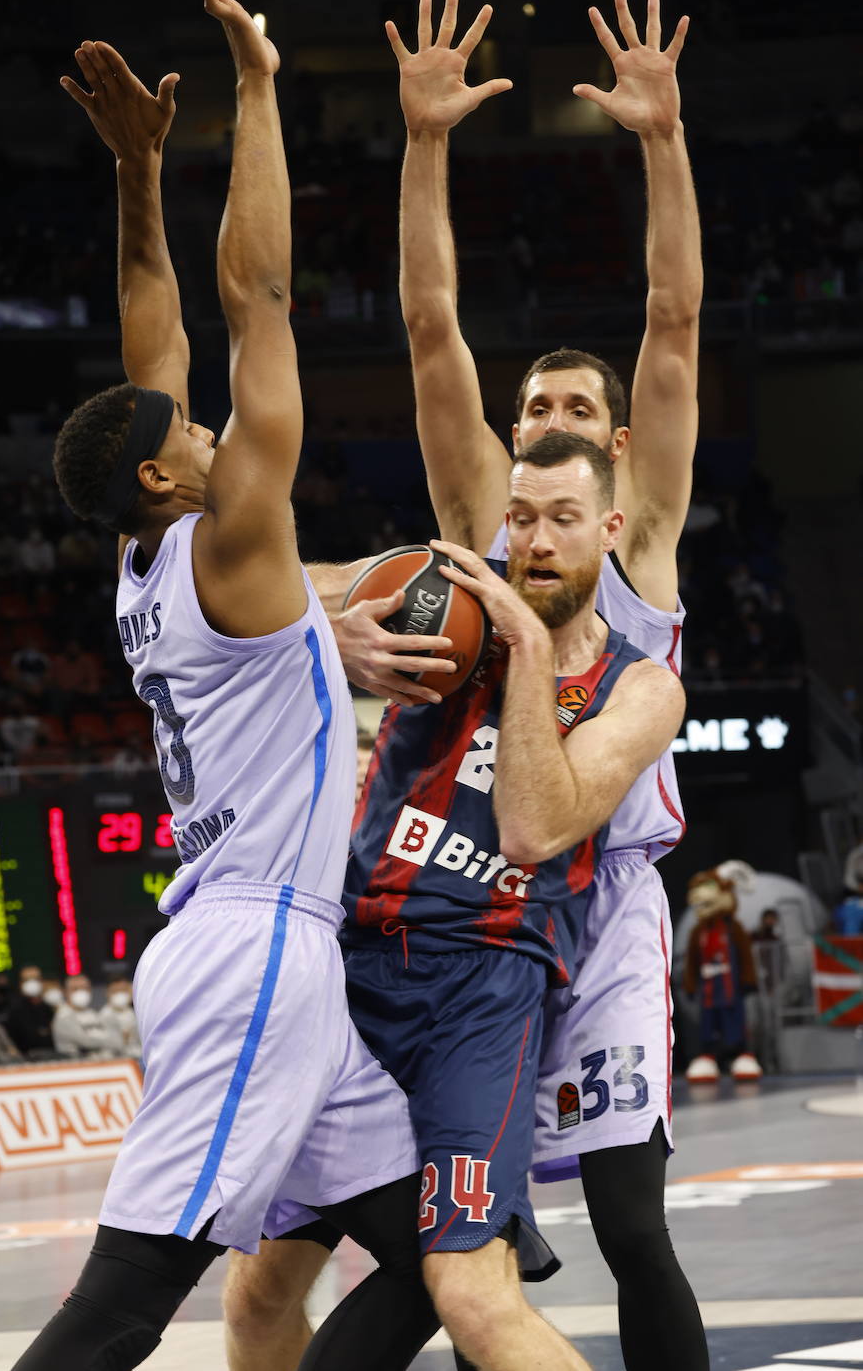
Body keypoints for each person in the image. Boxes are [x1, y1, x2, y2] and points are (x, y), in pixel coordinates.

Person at [226, 0, 707, 1369]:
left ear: (611, 459)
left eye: (565, 417)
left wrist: (663, 141)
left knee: (630, 1216)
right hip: (452, 906)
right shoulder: (484, 534)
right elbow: (430, 323)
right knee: (431, 1252)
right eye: (527, 417)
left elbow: (673, 315)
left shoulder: (639, 534)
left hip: (594, 897)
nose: (538, 433)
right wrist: (422, 142)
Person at [12, 3, 443, 1369]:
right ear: (162, 473)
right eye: (190, 429)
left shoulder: (153, 560)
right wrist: (258, 90)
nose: (207, 424)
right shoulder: (234, 542)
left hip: (267, 945)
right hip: (255, 945)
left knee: (445, 1251)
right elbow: (255, 299)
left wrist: (140, 176)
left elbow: (157, 336)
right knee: (129, 1300)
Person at [228, 430, 685, 1371]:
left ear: (609, 528)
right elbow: (248, 580)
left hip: (484, 989)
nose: (538, 540)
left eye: (563, 519)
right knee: (256, 1295)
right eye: (521, 518)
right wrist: (342, 619)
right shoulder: (448, 598)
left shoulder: (640, 689)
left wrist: (523, 643)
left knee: (472, 1294)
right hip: (352, 971)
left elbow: (533, 828)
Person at [52, 974, 124, 1059]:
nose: (81, 992)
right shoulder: (63, 1016)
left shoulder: (95, 1015)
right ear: (65, 992)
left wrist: (111, 1042)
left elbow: (118, 1042)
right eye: (75, 989)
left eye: (85, 988)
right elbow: (87, 1042)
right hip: (77, 1066)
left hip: (104, 1064)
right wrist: (109, 1041)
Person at [6, 964, 56, 1058]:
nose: (32, 983)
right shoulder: (14, 1011)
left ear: (41, 981)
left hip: (55, 1056)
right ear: (21, 984)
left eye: (36, 979)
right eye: (27, 980)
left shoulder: (50, 1007)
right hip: (28, 1060)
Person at [99, 975, 142, 1059]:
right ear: (107, 993)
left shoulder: (135, 1013)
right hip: (114, 1060)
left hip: (138, 1057)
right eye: (115, 991)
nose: (120, 994)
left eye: (123, 990)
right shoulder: (103, 1016)